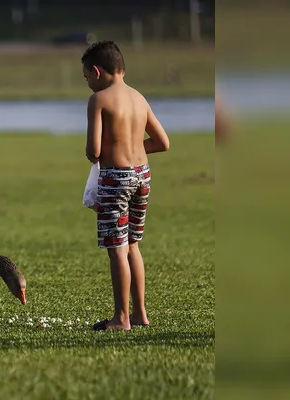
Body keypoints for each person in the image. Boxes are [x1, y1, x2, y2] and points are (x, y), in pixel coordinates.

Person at [81, 41, 170, 331]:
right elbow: (162, 142)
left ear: (97, 71)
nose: (88, 85)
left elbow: (94, 151)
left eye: (86, 78)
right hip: (142, 175)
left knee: (117, 248)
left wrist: (107, 149)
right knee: (132, 244)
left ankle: (121, 318)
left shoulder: (99, 100)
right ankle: (140, 313)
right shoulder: (139, 98)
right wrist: (131, 144)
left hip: (115, 178)